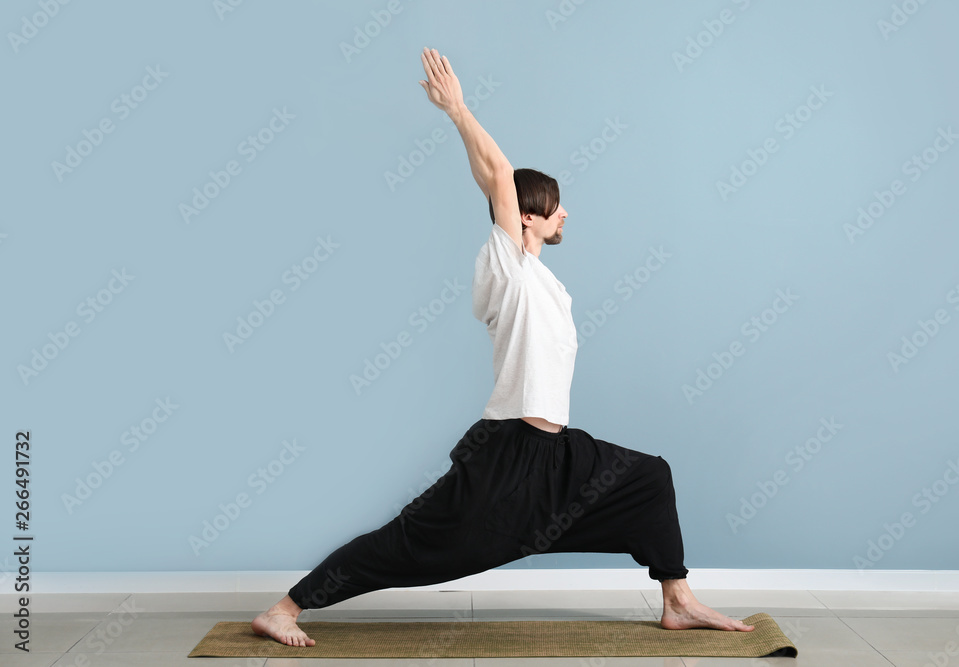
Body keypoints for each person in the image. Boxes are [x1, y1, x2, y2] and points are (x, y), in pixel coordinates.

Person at [251, 47, 754, 648]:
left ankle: (678, 600)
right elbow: (497, 174)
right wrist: (458, 111)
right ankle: (286, 607)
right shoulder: (506, 264)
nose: (565, 212)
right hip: (509, 450)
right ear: (526, 218)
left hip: (556, 452)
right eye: (553, 205)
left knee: (647, 478)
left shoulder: (546, 282)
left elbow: (502, 186)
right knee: (415, 542)